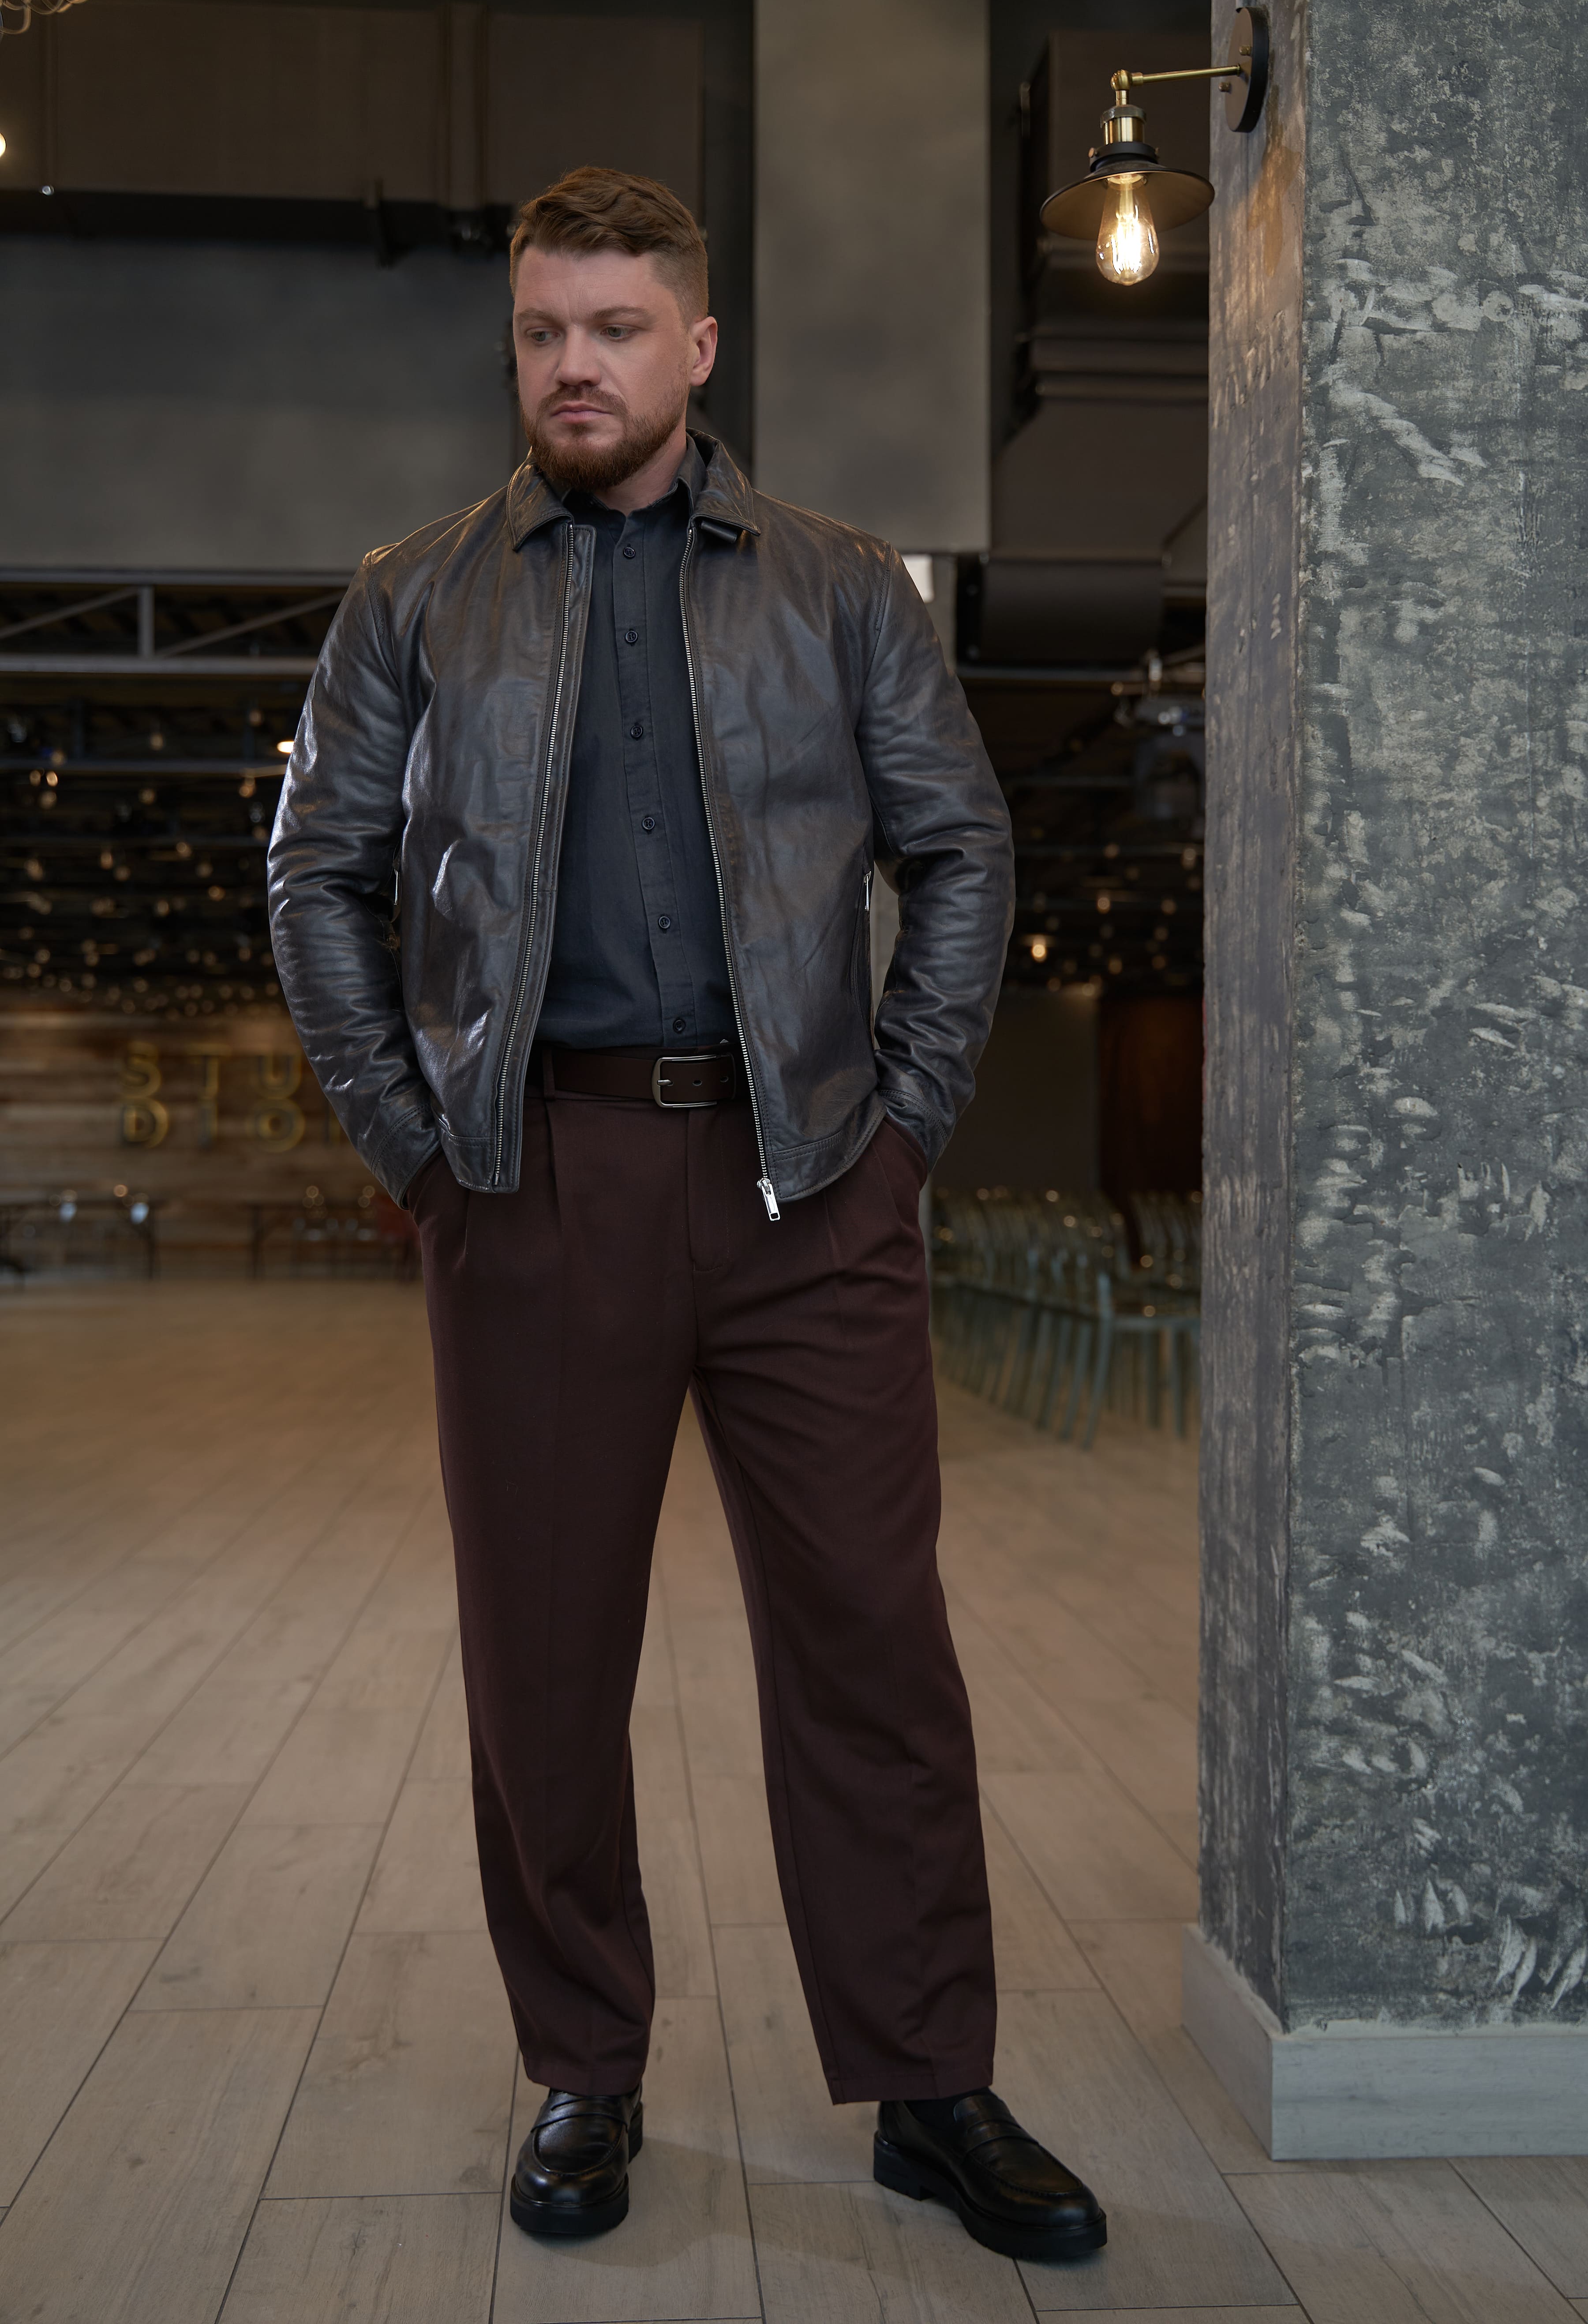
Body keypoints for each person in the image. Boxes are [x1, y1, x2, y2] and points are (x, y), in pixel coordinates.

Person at [267, 164, 1105, 2266]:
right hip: (535, 1180)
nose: (577, 365)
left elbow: (965, 851)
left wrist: (902, 1125)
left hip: (808, 1182)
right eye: (545, 330)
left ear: (698, 347)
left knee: (873, 1644)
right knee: (545, 1663)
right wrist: (416, 1146)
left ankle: (929, 2082)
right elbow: (318, 878)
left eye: (617, 329)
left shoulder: (840, 590)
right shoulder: (416, 598)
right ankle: (587, 2064)